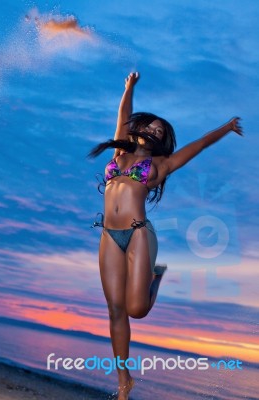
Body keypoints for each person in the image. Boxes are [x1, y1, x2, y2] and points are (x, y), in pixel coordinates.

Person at [89, 72, 243, 399]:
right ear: (140, 128)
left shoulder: (162, 164)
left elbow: (198, 145)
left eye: (161, 131)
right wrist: (128, 88)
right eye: (151, 127)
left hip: (137, 235)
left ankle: (155, 276)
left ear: (162, 140)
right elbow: (122, 115)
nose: (154, 131)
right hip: (108, 237)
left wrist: (226, 128)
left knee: (137, 310)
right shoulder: (119, 152)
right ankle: (123, 381)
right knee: (115, 310)